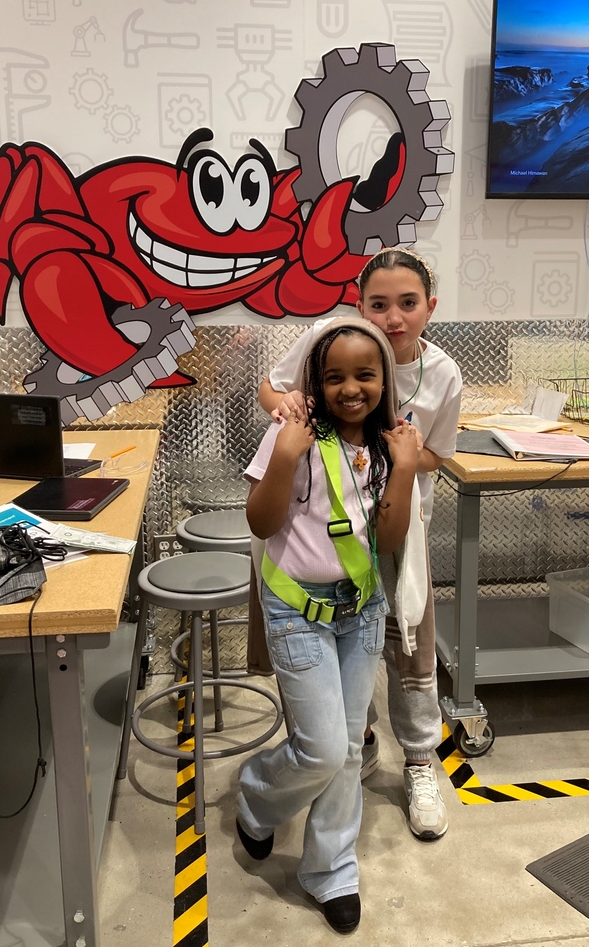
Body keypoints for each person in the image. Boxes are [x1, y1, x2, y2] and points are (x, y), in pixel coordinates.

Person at [257, 246, 463, 841]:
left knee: (410, 644)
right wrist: (287, 406)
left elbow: (436, 454)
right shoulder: (329, 337)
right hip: (322, 529)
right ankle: (359, 739)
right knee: (348, 642)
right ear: (358, 302)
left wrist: (394, 458)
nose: (393, 317)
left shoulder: (441, 372)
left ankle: (421, 760)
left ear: (430, 307)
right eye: (379, 304)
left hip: (395, 525)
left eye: (407, 304)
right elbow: (274, 393)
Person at [237, 317, 418, 935]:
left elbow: (389, 541)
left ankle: (331, 870)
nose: (350, 389)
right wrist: (286, 456)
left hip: (361, 612)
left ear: (384, 380)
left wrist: (406, 469)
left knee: (344, 753)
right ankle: (257, 794)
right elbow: (261, 525)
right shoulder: (290, 436)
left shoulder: (388, 444)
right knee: (319, 749)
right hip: (297, 612)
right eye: (334, 376)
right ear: (314, 381)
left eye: (365, 375)